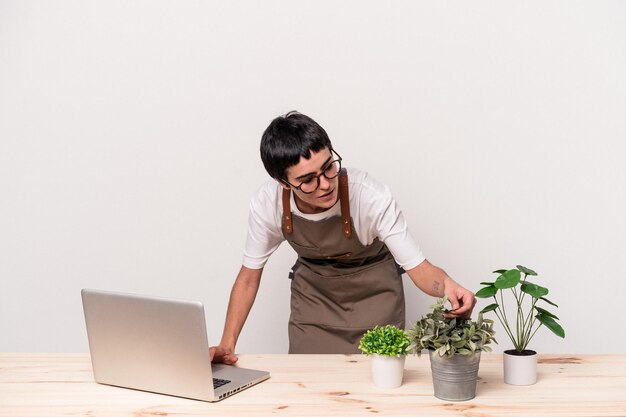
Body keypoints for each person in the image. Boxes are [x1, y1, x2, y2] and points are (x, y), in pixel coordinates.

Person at [210, 111, 476, 364]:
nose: (325, 184)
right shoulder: (269, 203)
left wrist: (449, 286)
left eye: (328, 167)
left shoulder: (369, 195)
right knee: (307, 392)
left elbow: (419, 267)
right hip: (314, 303)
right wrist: (227, 345)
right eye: (308, 180)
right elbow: (248, 278)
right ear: (283, 183)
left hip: (376, 299)